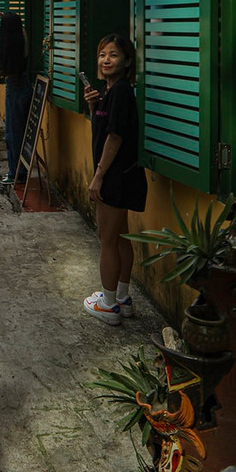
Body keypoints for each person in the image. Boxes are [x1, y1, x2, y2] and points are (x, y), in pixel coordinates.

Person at [81, 33, 146, 326]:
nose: (106, 60)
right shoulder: (111, 91)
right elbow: (103, 128)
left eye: (114, 55)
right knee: (120, 237)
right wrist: (93, 107)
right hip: (124, 174)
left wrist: (98, 176)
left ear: (127, 61)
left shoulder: (120, 91)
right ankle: (121, 297)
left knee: (107, 240)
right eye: (102, 55)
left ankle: (108, 305)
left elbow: (115, 136)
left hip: (115, 176)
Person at [0, 9, 30, 185]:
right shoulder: (23, 42)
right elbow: (20, 27)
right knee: (22, 130)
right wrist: (3, 15)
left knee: (12, 133)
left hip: (13, 87)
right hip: (25, 84)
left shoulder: (5, 49)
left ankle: (15, 172)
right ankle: (21, 169)